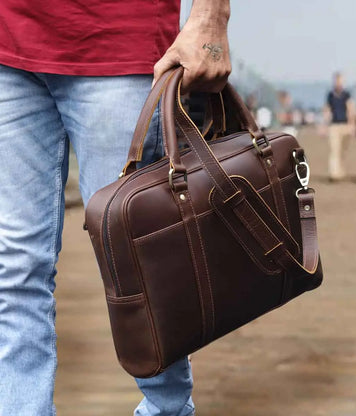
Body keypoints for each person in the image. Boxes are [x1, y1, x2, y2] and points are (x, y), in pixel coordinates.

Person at [0, 1, 231, 415]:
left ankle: (167, 409)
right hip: (6, 43)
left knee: (141, 259)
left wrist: (212, 17)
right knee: (12, 267)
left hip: (117, 39)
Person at [324, 72, 355, 181]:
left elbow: (350, 109)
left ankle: (340, 170)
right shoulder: (330, 95)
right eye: (337, 81)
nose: (338, 83)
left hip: (345, 125)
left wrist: (352, 124)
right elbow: (327, 110)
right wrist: (325, 125)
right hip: (334, 125)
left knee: (342, 150)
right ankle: (334, 173)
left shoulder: (347, 95)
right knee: (334, 150)